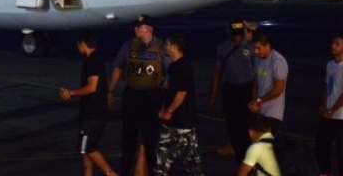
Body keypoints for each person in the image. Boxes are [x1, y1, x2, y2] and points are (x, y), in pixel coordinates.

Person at [107, 14, 171, 176]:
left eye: (139, 27)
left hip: (152, 96)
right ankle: (125, 171)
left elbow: (170, 74)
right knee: (128, 138)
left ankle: (150, 170)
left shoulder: (162, 47)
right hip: (132, 95)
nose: (136, 29)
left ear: (149, 29)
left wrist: (166, 100)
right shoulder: (129, 45)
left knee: (150, 138)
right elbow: (118, 67)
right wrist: (110, 90)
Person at [59, 29, 119, 176]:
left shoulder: (92, 61)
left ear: (82, 44)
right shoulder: (94, 59)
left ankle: (111, 173)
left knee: (88, 148)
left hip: (93, 114)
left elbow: (92, 87)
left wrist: (71, 93)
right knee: (85, 152)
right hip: (91, 113)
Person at [155, 34, 204, 176]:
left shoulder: (183, 67)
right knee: (185, 159)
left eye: (167, 44)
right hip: (174, 123)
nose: (165, 47)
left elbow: (181, 94)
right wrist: (164, 108)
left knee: (189, 161)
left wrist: (169, 111)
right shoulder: (172, 67)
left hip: (182, 122)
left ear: (174, 47)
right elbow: (169, 91)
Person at [210, 20, 256, 161]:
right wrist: (214, 96)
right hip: (230, 90)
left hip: (246, 90)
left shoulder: (252, 48)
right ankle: (238, 153)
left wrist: (255, 97)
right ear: (229, 33)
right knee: (231, 124)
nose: (237, 37)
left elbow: (256, 75)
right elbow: (218, 73)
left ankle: (247, 157)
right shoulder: (222, 48)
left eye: (239, 34)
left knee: (245, 125)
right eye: (235, 34)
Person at [315, 34, 343, 176]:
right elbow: (327, 87)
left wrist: (332, 110)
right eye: (333, 43)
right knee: (321, 147)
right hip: (328, 115)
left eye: (337, 44)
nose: (333, 46)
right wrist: (323, 106)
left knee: (341, 152)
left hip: (341, 118)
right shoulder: (330, 65)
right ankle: (325, 172)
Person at [248, 32, 288, 134]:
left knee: (266, 143)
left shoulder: (278, 61)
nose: (256, 51)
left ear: (267, 45)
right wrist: (254, 102)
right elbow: (256, 83)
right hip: (260, 110)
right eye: (254, 48)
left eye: (258, 48)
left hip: (273, 112)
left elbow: (278, 90)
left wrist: (259, 101)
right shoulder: (258, 59)